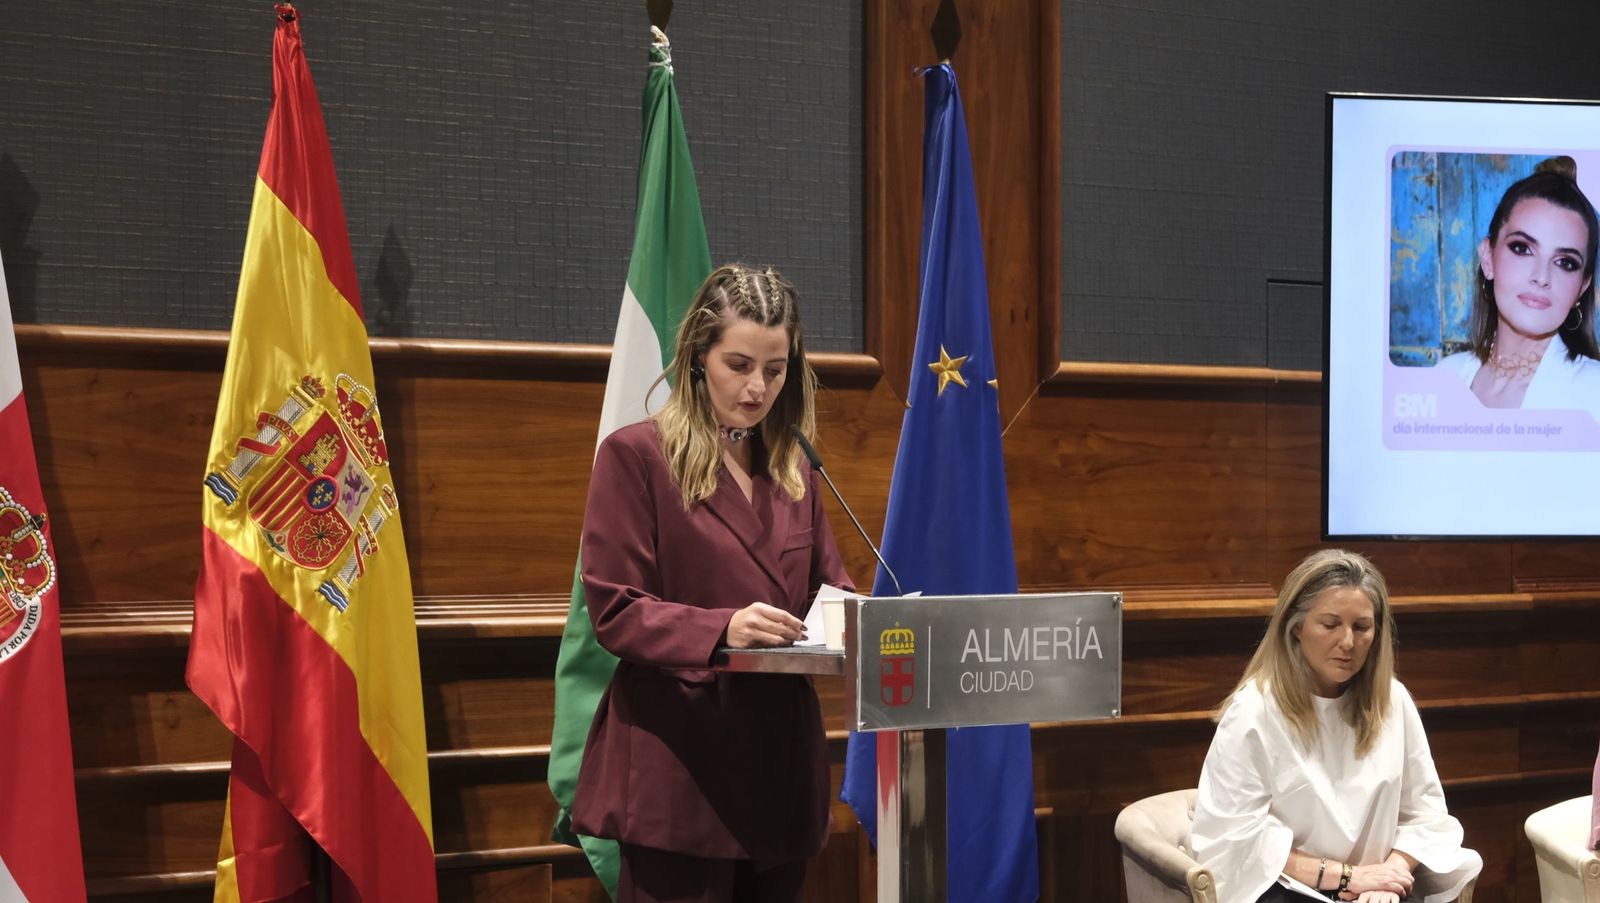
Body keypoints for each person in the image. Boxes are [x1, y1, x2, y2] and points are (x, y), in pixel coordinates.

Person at [570, 263, 854, 903]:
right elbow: (615, 609)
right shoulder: (637, 456)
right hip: (683, 771)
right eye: (739, 364)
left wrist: (869, 619)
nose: (757, 388)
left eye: (775, 370)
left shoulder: (794, 469)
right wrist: (721, 628)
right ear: (699, 357)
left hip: (779, 773)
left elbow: (826, 590)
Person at [1190, 550, 1481, 903]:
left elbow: (1425, 815)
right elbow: (1234, 842)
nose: (1347, 642)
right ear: (1296, 628)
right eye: (1330, 625)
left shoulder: (1393, 700)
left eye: (1361, 627)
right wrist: (1349, 878)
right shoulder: (1254, 710)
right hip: (1289, 890)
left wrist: (1390, 875)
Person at [1438, 156, 1600, 417]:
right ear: (1488, 258)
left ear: (1581, 288)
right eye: (1522, 248)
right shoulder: (1445, 378)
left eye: (1565, 263)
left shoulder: (1595, 392)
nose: (1541, 276)